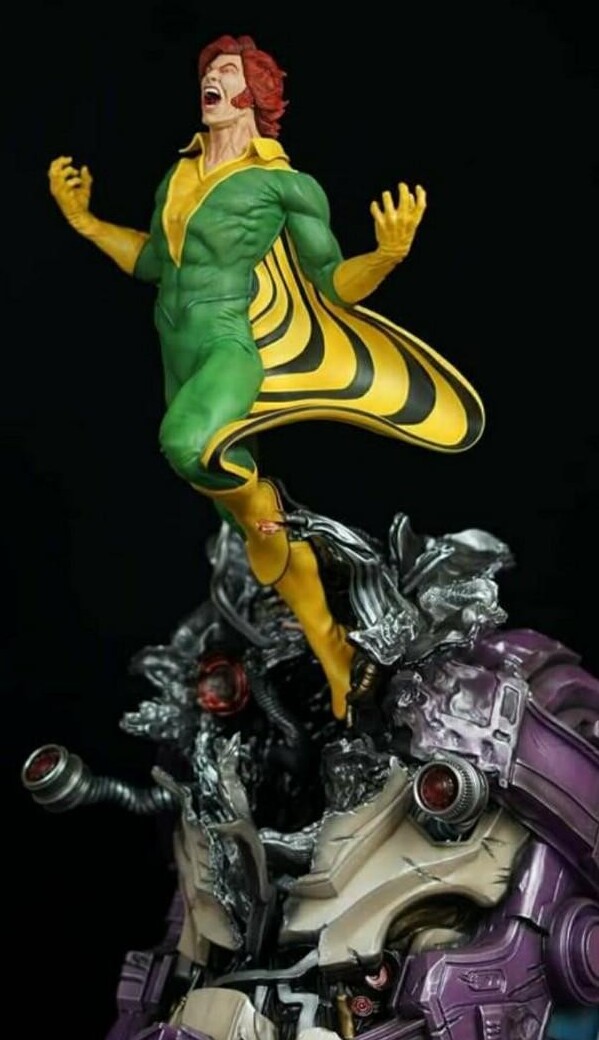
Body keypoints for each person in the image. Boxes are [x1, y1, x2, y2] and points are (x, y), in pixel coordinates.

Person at [48, 34, 485, 720]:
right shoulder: (179, 174)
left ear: (253, 93)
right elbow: (153, 262)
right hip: (176, 351)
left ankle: (268, 506)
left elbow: (332, 283)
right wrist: (85, 221)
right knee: (250, 522)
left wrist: (388, 254)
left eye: (226, 71)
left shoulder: (284, 185)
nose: (211, 78)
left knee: (188, 448)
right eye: (208, 70)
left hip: (229, 347)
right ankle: (331, 648)